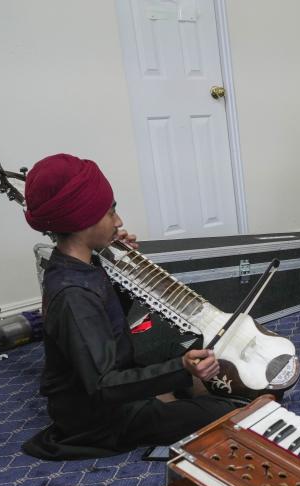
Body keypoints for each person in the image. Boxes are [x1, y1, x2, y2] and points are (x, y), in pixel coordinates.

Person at [20, 154, 239, 460]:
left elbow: (109, 320)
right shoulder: (72, 294)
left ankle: (167, 397)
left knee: (186, 361)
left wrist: (122, 265)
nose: (119, 221)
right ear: (83, 220)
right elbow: (103, 385)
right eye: (111, 213)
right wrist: (181, 369)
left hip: (112, 380)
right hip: (98, 416)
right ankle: (168, 402)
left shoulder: (82, 265)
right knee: (218, 408)